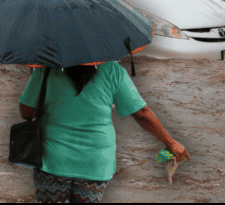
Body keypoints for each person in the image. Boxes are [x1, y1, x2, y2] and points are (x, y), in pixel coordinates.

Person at [19, 63, 190, 203]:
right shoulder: (113, 70)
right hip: (95, 163)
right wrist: (171, 142)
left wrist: (35, 77)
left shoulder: (46, 69)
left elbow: (26, 112)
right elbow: (142, 113)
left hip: (53, 160)